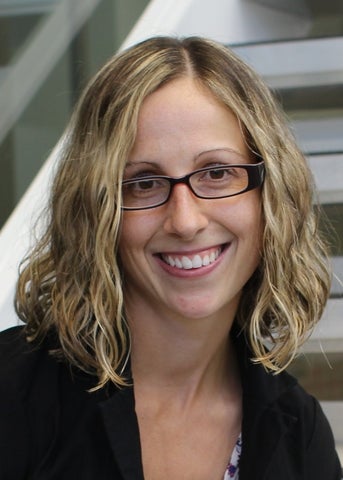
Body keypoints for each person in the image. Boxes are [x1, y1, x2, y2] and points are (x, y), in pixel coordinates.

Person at [0, 36, 341, 480]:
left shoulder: (299, 434)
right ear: (95, 208)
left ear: (271, 194)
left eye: (217, 173)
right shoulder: (12, 394)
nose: (185, 221)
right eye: (143, 183)